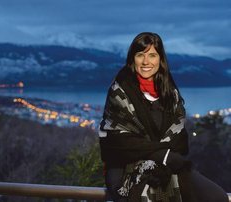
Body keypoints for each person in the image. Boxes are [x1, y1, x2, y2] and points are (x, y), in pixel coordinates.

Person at [98, 32, 228, 202]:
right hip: (125, 168)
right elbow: (118, 142)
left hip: (169, 164)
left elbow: (180, 139)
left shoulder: (170, 93)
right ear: (132, 59)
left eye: (152, 55)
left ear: (160, 59)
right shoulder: (119, 92)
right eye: (140, 55)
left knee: (217, 197)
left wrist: (165, 157)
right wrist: (163, 155)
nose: (146, 62)